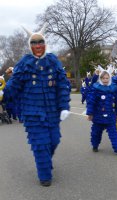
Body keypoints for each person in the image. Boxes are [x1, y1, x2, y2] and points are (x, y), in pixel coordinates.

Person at [3, 24, 71, 186]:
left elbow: (62, 86)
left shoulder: (53, 61)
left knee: (54, 140)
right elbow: (14, 85)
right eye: (34, 43)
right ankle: (45, 175)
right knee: (40, 144)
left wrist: (64, 106)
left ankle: (45, 161)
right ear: (30, 46)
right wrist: (4, 94)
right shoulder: (24, 63)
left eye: (40, 42)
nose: (38, 46)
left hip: (52, 112)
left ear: (45, 44)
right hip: (32, 113)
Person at [86, 67, 117, 155]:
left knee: (113, 133)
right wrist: (90, 113)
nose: (105, 80)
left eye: (107, 78)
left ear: (110, 78)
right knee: (96, 133)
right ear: (100, 79)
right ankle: (95, 145)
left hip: (110, 116)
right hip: (98, 116)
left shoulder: (114, 88)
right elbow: (91, 102)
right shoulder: (96, 89)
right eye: (103, 78)